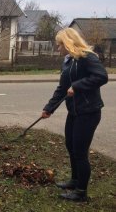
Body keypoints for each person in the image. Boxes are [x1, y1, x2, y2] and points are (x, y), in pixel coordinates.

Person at [42, 28, 108, 202]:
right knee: (71, 146)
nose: (58, 48)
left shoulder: (87, 57)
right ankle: (74, 180)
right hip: (74, 112)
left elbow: (101, 76)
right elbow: (62, 89)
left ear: (68, 43)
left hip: (88, 112)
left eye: (59, 45)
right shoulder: (68, 61)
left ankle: (81, 192)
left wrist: (78, 85)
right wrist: (49, 108)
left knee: (80, 152)